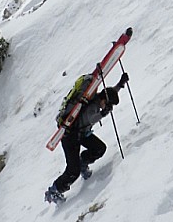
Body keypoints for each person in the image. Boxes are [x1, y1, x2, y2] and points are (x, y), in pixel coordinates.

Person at [45, 72, 129, 204]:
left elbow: (110, 93)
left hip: (82, 133)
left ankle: (83, 162)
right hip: (70, 137)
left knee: (99, 148)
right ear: (103, 101)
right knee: (73, 171)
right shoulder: (92, 107)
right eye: (107, 105)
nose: (107, 107)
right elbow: (91, 118)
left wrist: (120, 84)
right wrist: (103, 113)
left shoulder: (97, 98)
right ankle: (54, 191)